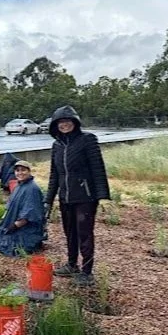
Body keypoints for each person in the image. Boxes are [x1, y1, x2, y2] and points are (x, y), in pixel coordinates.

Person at [44, 106, 110, 287]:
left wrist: (103, 196)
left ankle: (87, 271)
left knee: (84, 234)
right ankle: (72, 264)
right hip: (66, 197)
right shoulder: (57, 146)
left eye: (67, 121)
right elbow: (54, 175)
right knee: (69, 232)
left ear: (75, 122)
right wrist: (48, 200)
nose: (64, 124)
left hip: (85, 197)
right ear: (55, 125)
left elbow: (98, 169)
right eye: (60, 122)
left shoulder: (87, 140)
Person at [0, 160, 45, 257]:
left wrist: (14, 226)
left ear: (29, 171)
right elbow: (9, 206)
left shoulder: (32, 189)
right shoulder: (19, 185)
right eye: (17, 170)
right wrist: (3, 221)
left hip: (27, 228)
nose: (20, 173)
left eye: (23, 170)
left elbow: (28, 215)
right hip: (15, 222)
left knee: (10, 245)